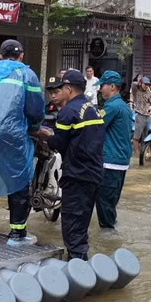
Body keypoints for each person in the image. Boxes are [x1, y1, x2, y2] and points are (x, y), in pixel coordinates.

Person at [0, 39, 44, 246]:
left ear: (0, 55)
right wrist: (34, 127)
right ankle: (17, 235)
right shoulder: (26, 74)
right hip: (11, 135)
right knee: (19, 178)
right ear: (21, 56)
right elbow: (36, 109)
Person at [36, 70, 104, 260]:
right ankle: (82, 261)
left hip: (77, 174)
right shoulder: (93, 108)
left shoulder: (69, 111)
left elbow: (59, 143)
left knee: (72, 224)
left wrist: (46, 136)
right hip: (94, 173)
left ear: (68, 88)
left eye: (60, 88)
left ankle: (76, 266)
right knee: (81, 223)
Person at [97, 71, 132, 229]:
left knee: (105, 207)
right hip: (120, 161)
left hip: (110, 162)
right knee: (110, 205)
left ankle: (108, 244)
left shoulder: (112, 106)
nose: (100, 90)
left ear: (111, 87)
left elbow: (95, 127)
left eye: (102, 86)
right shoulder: (122, 105)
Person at [131, 75, 151, 155]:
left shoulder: (148, 90)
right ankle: (136, 153)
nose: (146, 86)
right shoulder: (136, 90)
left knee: (146, 136)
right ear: (141, 84)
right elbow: (133, 84)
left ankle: (144, 153)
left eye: (148, 84)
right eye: (145, 84)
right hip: (139, 115)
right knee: (136, 137)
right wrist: (139, 82)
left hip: (147, 115)